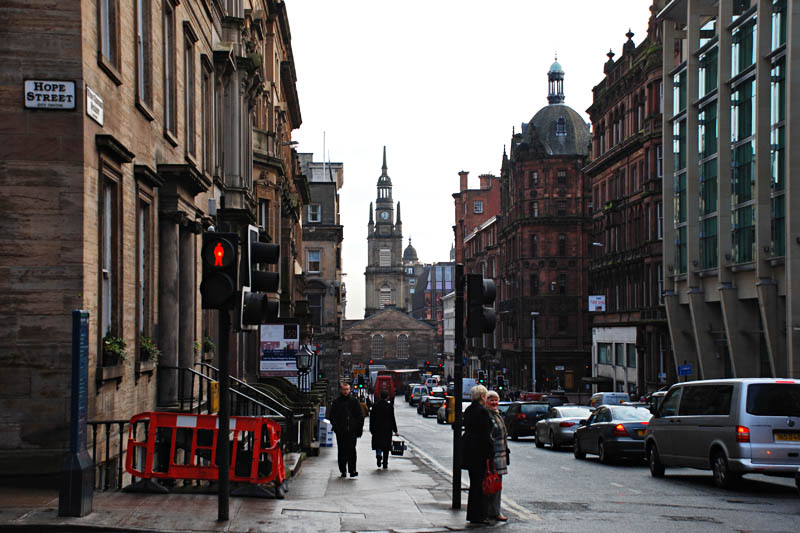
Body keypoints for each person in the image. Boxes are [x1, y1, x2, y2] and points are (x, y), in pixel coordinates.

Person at [461, 384, 493, 525]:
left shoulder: (468, 410)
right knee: (480, 486)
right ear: (482, 396)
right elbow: (486, 434)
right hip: (480, 452)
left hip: (469, 451)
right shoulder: (482, 412)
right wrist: (490, 454)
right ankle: (480, 515)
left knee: (474, 484)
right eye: (485, 396)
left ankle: (473, 515)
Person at [329, 381, 364, 478]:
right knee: (342, 451)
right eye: (344, 389)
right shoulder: (336, 402)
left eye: (347, 389)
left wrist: (359, 428)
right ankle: (343, 470)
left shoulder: (354, 401)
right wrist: (336, 427)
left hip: (352, 430)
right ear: (341, 390)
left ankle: (352, 470)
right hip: (341, 431)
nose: (346, 391)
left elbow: (360, 416)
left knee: (352, 450)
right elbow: (332, 416)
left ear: (350, 390)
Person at [486, 390, 509, 522]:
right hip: (493, 456)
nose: (494, 402)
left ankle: (495, 510)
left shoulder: (497, 414)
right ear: (486, 402)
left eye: (496, 400)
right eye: (491, 400)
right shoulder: (489, 416)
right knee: (492, 484)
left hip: (500, 455)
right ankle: (493, 512)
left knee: (497, 484)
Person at [369, 390, 398, 469]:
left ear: (380, 396)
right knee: (386, 447)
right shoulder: (389, 406)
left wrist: (371, 429)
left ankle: (378, 455)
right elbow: (392, 419)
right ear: (387, 397)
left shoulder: (375, 406)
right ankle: (385, 463)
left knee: (378, 444)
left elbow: (371, 419)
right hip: (387, 429)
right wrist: (395, 430)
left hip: (377, 429)